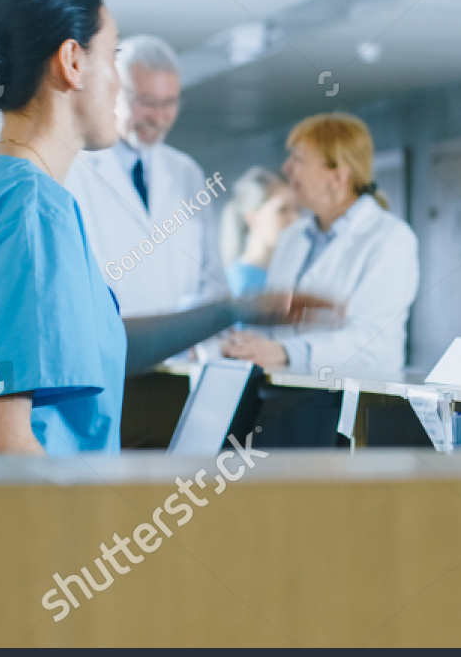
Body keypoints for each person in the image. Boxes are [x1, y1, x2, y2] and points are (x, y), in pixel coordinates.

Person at [0, 0, 327, 454]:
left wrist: (232, 309)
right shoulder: (31, 207)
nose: (115, 82)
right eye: (112, 55)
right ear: (71, 61)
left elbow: (98, 344)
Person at [223, 114, 418, 446]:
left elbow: (373, 343)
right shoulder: (293, 237)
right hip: (282, 401)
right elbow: (278, 320)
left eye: (298, 159)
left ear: (337, 175)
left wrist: (285, 352)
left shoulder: (390, 238)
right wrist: (248, 345)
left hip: (346, 410)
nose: (286, 168)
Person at [62, 34, 225, 317]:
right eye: (146, 102)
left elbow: (212, 280)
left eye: (170, 103)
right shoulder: (73, 169)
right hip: (107, 351)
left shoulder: (186, 173)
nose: (159, 117)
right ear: (112, 92)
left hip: (179, 352)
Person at [220, 167, 298, 298]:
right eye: (282, 210)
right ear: (251, 217)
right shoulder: (236, 285)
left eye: (297, 209)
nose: (295, 219)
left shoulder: (289, 273)